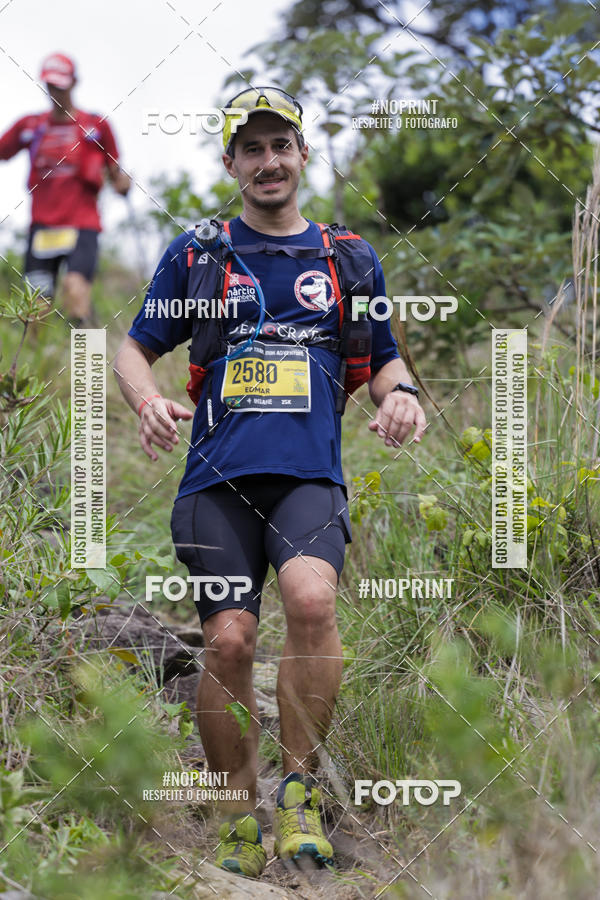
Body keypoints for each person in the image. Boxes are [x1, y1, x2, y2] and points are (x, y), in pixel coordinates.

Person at [113, 85, 427, 879]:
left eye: (279, 145)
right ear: (231, 164)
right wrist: (145, 400)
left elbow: (385, 358)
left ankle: (298, 795)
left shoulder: (348, 258)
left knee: (312, 603)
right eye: (250, 149)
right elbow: (133, 348)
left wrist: (402, 397)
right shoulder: (198, 255)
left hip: (308, 479)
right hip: (216, 485)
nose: (268, 161)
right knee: (229, 638)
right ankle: (232, 810)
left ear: (302, 154)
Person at [0, 52, 131, 325]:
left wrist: (122, 183)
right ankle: (38, 353)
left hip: (81, 225)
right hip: (42, 227)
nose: (56, 92)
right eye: (51, 86)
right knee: (35, 309)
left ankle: (89, 352)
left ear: (74, 83)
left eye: (61, 85)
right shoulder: (31, 126)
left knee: (76, 290)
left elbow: (116, 173)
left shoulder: (96, 126)